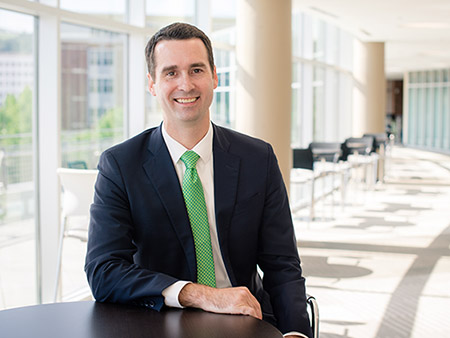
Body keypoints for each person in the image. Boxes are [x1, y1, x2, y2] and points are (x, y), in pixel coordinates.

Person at [85, 22, 312, 338]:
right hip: (161, 322)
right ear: (152, 84)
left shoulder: (258, 158)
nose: (185, 84)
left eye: (196, 70)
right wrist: (202, 294)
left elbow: (283, 266)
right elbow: (103, 271)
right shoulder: (121, 165)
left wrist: (295, 334)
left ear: (215, 76)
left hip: (248, 321)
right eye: (170, 73)